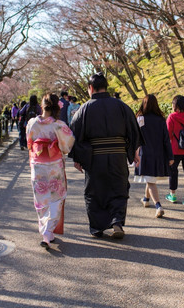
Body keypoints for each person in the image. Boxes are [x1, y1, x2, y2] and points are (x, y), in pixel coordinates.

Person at [70, 72, 143, 239]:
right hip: (118, 156)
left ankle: (97, 228)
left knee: (94, 192)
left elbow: (73, 134)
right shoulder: (121, 106)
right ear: (106, 87)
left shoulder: (84, 109)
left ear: (90, 88)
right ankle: (117, 221)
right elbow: (133, 130)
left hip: (95, 158)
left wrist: (77, 158)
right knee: (118, 189)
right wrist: (135, 152)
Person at [26, 94, 75, 250]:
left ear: (42, 105)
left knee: (41, 199)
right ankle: (47, 232)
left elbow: (29, 141)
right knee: (56, 198)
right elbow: (67, 145)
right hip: (53, 165)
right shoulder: (58, 126)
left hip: (38, 165)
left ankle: (47, 232)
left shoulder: (32, 123)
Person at [134, 94, 174, 218]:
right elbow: (166, 139)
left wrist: (133, 154)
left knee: (150, 181)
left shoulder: (140, 118)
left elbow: (135, 138)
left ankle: (158, 206)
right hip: (159, 154)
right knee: (150, 178)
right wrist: (170, 156)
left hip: (144, 154)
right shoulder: (161, 119)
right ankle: (146, 199)